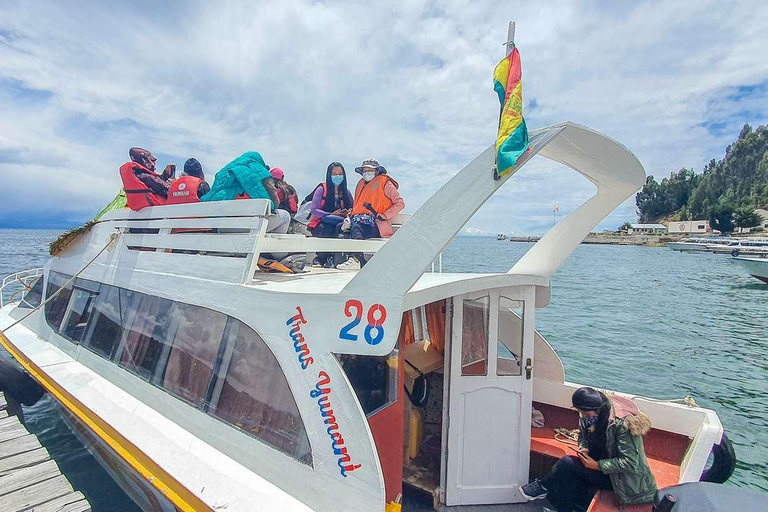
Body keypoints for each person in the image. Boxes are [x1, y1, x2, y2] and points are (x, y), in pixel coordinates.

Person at [520, 387, 657, 512]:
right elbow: (583, 436)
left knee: (567, 463)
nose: (584, 417)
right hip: (601, 466)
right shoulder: (589, 414)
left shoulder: (622, 425)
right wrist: (584, 448)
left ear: (598, 409)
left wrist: (597, 465)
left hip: (623, 480)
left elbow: (630, 462)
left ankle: (543, 486)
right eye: (581, 413)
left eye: (586, 414)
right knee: (569, 475)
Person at [336, 158, 404, 270]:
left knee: (357, 227)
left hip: (377, 224)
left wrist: (385, 215)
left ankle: (356, 260)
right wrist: (350, 215)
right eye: (364, 171)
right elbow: (357, 206)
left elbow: (400, 203)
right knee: (340, 227)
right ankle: (354, 260)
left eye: (370, 170)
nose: (366, 173)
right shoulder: (360, 184)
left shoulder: (385, 183)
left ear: (376, 171)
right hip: (359, 220)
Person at [201, 151, 289, 234]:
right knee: (285, 216)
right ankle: (274, 249)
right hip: (250, 227)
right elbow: (274, 203)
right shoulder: (261, 172)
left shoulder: (223, 174)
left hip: (222, 227)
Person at [308, 162, 354, 268]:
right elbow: (314, 210)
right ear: (329, 175)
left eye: (340, 173)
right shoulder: (321, 189)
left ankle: (335, 257)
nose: (337, 176)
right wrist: (331, 214)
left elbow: (353, 208)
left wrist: (348, 212)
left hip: (340, 221)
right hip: (322, 222)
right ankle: (321, 258)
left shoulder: (346, 192)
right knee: (326, 228)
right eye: (334, 174)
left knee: (339, 227)